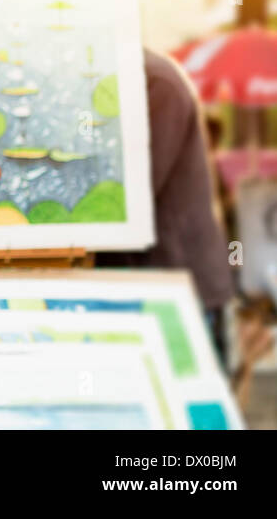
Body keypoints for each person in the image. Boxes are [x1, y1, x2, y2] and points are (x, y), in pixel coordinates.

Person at [96, 48, 236, 367]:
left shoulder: (152, 81)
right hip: (139, 287)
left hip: (175, 291)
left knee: (185, 409)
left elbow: (128, 196)